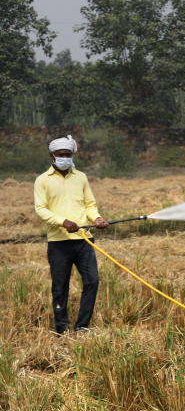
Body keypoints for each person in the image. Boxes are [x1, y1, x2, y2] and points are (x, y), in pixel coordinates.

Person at [33, 135, 109, 334]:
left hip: (84, 240)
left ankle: (82, 327)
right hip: (59, 242)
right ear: (52, 155)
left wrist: (97, 218)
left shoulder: (81, 177)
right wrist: (63, 222)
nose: (65, 158)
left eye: (68, 154)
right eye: (61, 154)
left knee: (92, 281)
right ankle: (62, 329)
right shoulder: (42, 181)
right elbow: (41, 209)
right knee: (60, 287)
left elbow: (89, 205)